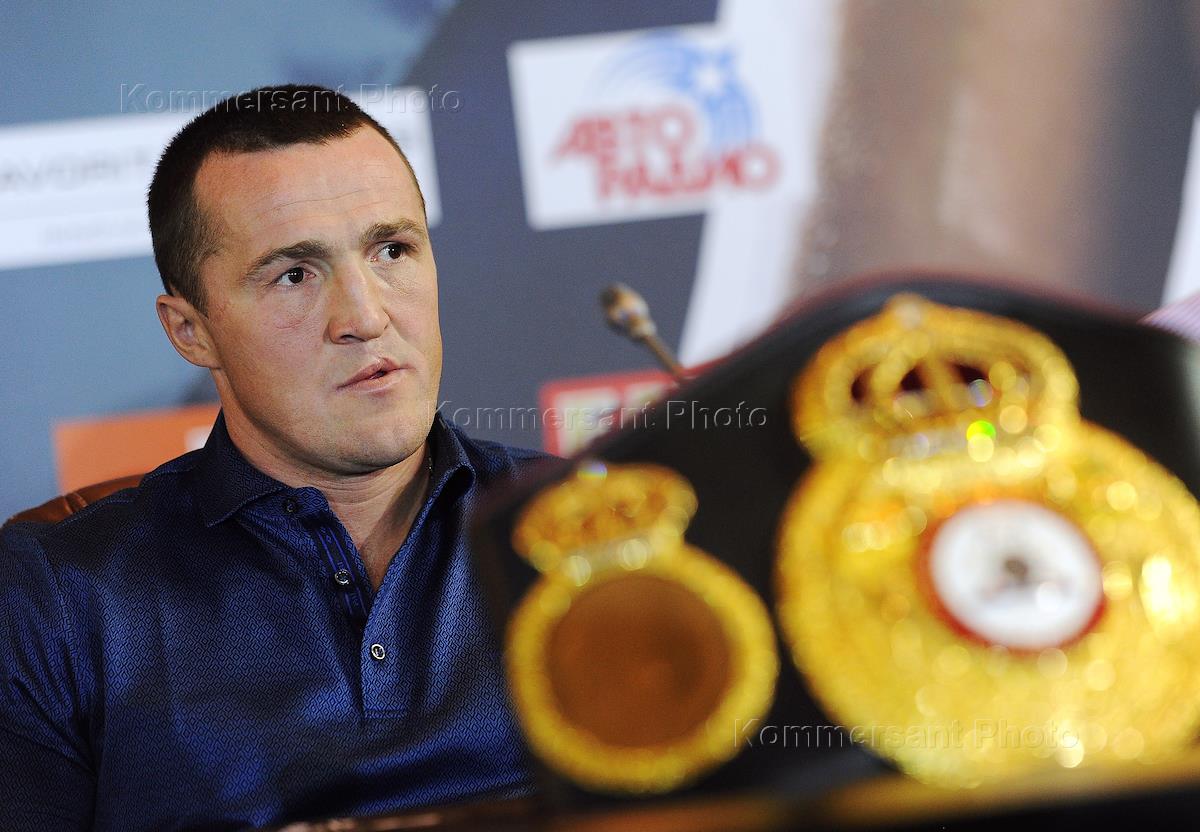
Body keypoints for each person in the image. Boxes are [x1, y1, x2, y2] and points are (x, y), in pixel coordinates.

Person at [0, 85, 544, 831]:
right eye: (294, 274)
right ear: (191, 332)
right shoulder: (54, 599)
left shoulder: (593, 526)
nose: (365, 316)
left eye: (392, 250)